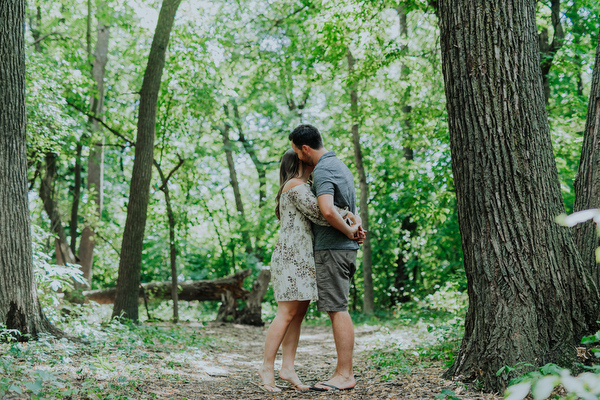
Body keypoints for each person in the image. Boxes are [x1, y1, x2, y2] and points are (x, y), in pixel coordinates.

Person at [258, 149, 360, 392]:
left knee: (297, 314)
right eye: (309, 162)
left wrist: (350, 219)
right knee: (286, 313)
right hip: (292, 258)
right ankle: (266, 367)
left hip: (303, 258)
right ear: (300, 163)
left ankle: (288, 369)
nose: (314, 165)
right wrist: (351, 218)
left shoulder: (299, 185)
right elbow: (321, 213)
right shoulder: (295, 185)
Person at [289, 124, 363, 392]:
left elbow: (328, 211)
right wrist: (353, 230)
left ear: (305, 148)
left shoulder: (322, 170)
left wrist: (349, 232)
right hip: (343, 248)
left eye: (298, 152)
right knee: (338, 307)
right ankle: (343, 372)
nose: (298, 157)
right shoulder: (339, 165)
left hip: (333, 248)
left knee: (337, 309)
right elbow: (349, 210)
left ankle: (345, 374)